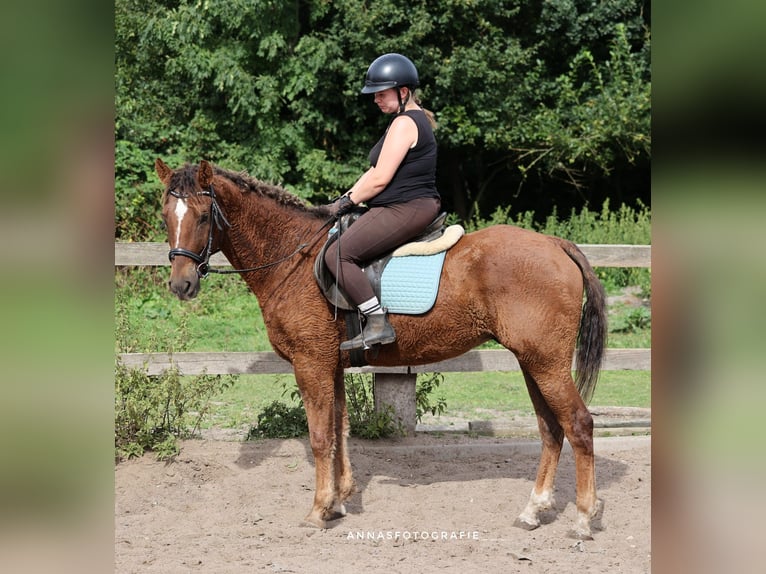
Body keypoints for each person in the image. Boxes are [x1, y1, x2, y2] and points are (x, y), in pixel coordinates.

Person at [325, 53, 442, 351]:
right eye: (374, 94)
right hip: (402, 205)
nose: (375, 99)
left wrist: (347, 202)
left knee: (338, 255)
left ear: (403, 92)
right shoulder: (402, 120)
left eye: (381, 93)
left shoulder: (405, 123)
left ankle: (377, 322)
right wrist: (343, 200)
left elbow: (380, 180)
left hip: (407, 207)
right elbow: (373, 172)